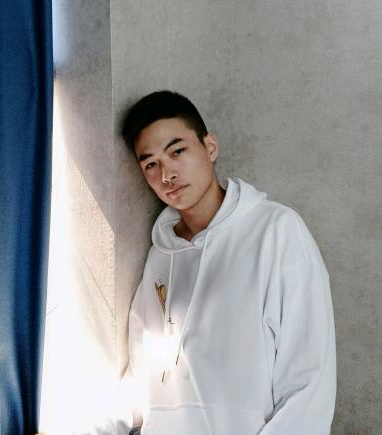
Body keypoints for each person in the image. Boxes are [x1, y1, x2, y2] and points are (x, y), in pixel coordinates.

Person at [122, 90, 336, 435]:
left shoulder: (277, 231)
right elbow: (140, 373)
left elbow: (310, 383)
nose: (167, 174)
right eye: (150, 164)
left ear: (210, 147)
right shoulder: (161, 255)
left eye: (177, 151)